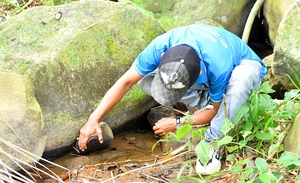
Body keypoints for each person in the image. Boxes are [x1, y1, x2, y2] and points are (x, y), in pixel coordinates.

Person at [78, 23, 267, 175]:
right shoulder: (162, 45)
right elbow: (126, 81)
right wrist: (93, 118)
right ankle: (201, 103)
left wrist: (178, 122)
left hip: (244, 70)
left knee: (242, 78)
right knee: (143, 79)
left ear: (199, 73)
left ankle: (214, 143)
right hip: (202, 71)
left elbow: (216, 110)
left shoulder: (219, 68)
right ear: (162, 57)